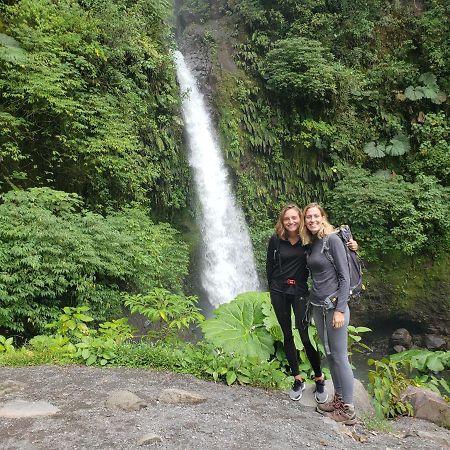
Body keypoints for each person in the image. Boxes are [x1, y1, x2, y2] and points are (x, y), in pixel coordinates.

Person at [266, 203, 357, 403]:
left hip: (300, 292)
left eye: (295, 218)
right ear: (282, 221)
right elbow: (269, 266)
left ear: (301, 220)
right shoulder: (276, 240)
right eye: (287, 219)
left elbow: (334, 246)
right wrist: (272, 286)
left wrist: (351, 244)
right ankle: (298, 379)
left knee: (305, 336)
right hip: (279, 292)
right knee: (287, 335)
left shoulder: (308, 240)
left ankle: (319, 378)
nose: (291, 221)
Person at [300, 202, 356, 425]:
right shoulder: (312, 243)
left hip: (334, 307)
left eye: (316, 216)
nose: (312, 220)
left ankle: (349, 409)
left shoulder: (332, 239)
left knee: (341, 356)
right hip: (319, 307)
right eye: (308, 217)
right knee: (330, 354)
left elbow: (345, 278)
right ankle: (339, 400)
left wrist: (340, 310)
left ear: (323, 217)